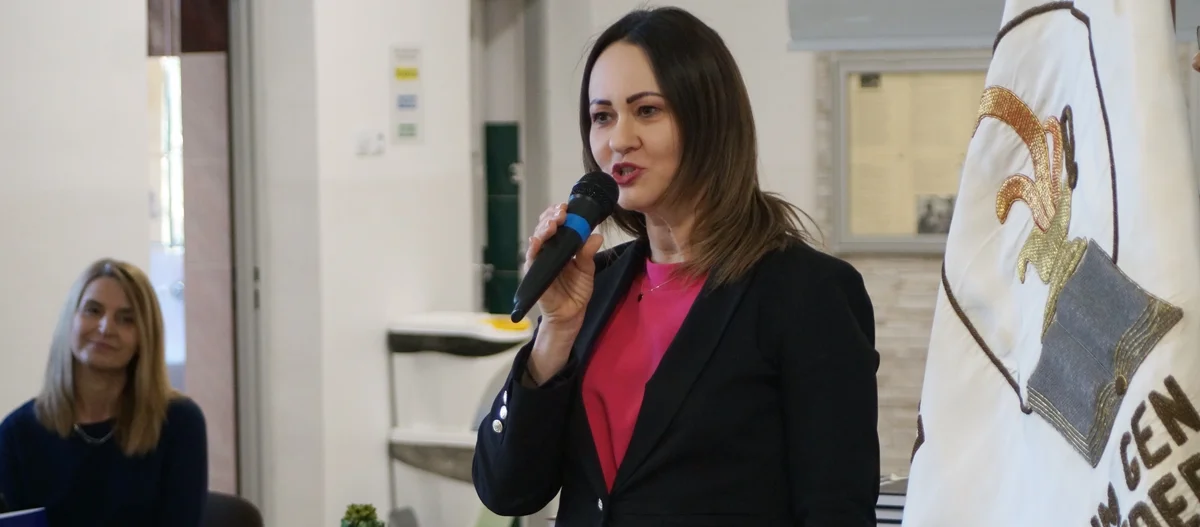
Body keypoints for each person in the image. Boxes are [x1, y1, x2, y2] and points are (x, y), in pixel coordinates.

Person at [472, 6, 880, 526]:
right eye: (602, 116)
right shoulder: (594, 286)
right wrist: (556, 329)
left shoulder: (806, 292)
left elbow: (835, 509)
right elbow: (506, 490)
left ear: (710, 120)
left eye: (646, 110)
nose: (618, 139)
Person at [0, 258, 208, 526]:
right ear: (71, 320)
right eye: (93, 310)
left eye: (126, 319)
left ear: (145, 337)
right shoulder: (17, 434)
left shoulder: (178, 423)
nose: (105, 327)